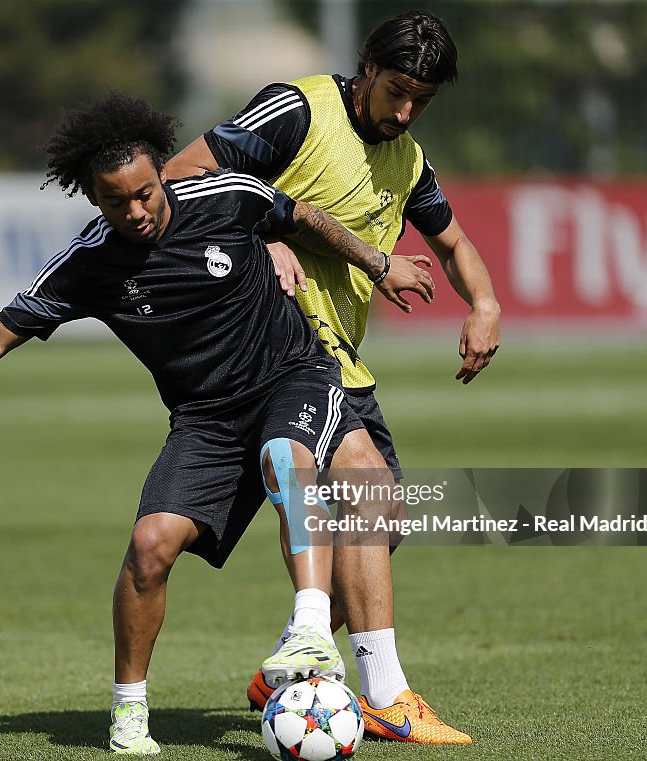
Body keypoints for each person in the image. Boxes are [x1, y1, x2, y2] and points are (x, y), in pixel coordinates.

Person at [0, 91, 434, 755]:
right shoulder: (91, 262)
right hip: (205, 419)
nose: (135, 211)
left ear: (163, 174)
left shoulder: (227, 193)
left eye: (146, 193)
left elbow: (307, 218)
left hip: (291, 377)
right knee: (151, 544)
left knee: (284, 455)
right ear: (94, 198)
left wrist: (379, 262)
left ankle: (309, 627)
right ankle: (129, 711)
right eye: (116, 201)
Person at [165, 9, 500, 745]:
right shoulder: (298, 109)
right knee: (367, 495)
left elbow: (453, 241)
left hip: (338, 361)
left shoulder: (406, 158)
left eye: (422, 100)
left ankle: (297, 650)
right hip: (270, 350)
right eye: (397, 90)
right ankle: (384, 690)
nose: (405, 110)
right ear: (368, 68)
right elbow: (179, 177)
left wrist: (484, 302)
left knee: (383, 526)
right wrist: (258, 239)